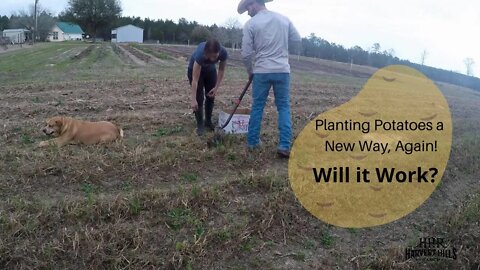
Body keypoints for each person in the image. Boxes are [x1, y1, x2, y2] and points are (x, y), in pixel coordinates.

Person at [238, 0, 301, 158]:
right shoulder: (283, 19)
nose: (248, 12)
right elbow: (297, 39)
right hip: (282, 70)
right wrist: (284, 53)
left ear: (253, 4)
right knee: (284, 107)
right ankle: (284, 145)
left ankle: (252, 143)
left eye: (248, 8)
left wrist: (250, 71)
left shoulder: (251, 24)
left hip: (261, 71)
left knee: (258, 106)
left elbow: (245, 54)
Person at [187, 39, 228, 136]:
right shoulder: (200, 55)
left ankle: (208, 121)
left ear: (218, 52)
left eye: (214, 57)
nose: (212, 59)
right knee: (199, 98)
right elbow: (195, 80)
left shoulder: (223, 53)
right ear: (206, 53)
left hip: (210, 70)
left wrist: (216, 88)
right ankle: (200, 124)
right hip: (195, 71)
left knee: (211, 95)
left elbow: (221, 70)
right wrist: (193, 99)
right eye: (209, 57)